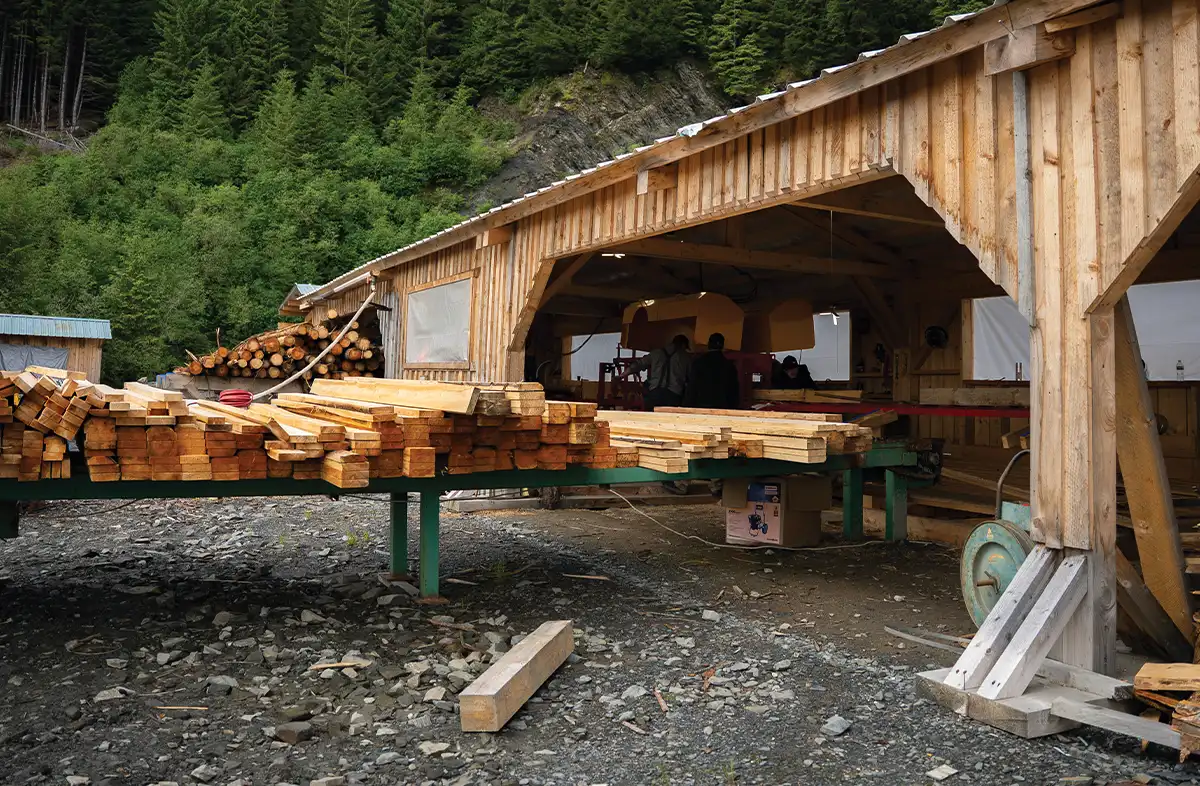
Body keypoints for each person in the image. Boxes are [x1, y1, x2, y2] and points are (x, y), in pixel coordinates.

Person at [624, 334, 691, 410]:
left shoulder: (656, 353)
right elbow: (691, 377)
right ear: (683, 345)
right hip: (674, 396)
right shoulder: (686, 357)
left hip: (654, 394)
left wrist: (622, 375)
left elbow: (639, 364)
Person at [683, 332, 740, 409]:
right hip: (722, 406)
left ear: (708, 344)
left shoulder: (698, 363)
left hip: (700, 405)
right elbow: (734, 391)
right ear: (722, 346)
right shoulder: (729, 365)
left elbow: (692, 387)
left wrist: (687, 406)